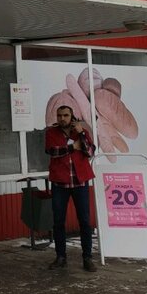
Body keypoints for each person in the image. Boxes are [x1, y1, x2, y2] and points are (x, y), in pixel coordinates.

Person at [45, 104, 96, 271]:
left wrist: (81, 133)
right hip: (60, 183)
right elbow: (53, 151)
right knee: (58, 221)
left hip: (80, 182)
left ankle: (87, 258)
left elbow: (90, 152)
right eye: (59, 115)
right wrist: (72, 147)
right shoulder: (51, 133)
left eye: (65, 115)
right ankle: (61, 257)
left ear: (72, 117)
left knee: (85, 221)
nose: (62, 118)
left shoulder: (81, 132)